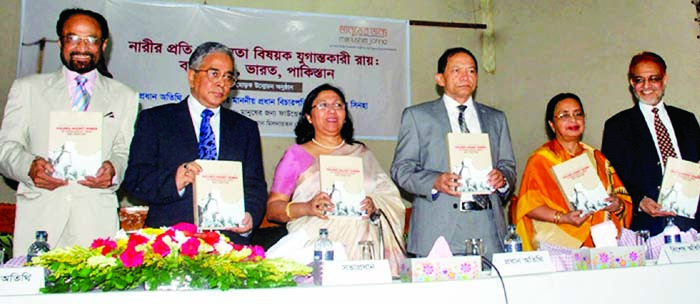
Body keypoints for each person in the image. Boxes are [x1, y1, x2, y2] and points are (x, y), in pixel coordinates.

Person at [0, 9, 139, 256]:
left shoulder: (126, 97)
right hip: (39, 221)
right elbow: (7, 149)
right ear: (60, 41)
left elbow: (124, 151)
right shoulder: (27, 89)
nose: (81, 47)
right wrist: (29, 166)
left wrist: (113, 170)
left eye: (91, 39)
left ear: (103, 45)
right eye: (72, 38)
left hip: (97, 223)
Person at [121, 42, 266, 244]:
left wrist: (249, 216)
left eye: (228, 76)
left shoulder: (245, 128)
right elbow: (135, 180)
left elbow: (255, 186)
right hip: (169, 240)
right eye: (214, 74)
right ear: (191, 75)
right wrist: (175, 181)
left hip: (227, 242)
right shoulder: (155, 120)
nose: (221, 83)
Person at [264, 84, 406, 271]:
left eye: (338, 105)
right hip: (318, 246)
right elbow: (274, 209)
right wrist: (307, 207)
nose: (332, 110)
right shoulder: (296, 155)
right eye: (322, 105)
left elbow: (389, 198)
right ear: (308, 117)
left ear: (345, 115)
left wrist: (374, 206)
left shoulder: (362, 153)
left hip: (365, 249)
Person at [390, 47, 516, 258]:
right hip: (439, 228)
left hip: (488, 228)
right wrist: (434, 181)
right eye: (456, 70)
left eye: (471, 71)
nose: (465, 76)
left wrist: (502, 179)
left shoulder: (496, 118)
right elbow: (401, 169)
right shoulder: (417, 116)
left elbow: (508, 165)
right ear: (440, 79)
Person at [601, 51, 700, 235]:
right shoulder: (618, 126)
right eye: (639, 80)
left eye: (653, 78)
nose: (646, 86)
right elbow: (612, 177)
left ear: (665, 79)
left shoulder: (687, 120)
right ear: (632, 83)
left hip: (693, 220)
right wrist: (639, 201)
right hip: (649, 223)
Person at [515, 93, 632, 250]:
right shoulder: (541, 160)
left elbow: (622, 198)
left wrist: (616, 205)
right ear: (551, 124)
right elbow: (528, 206)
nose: (573, 120)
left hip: (600, 244)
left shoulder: (596, 157)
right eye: (564, 115)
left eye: (578, 114)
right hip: (557, 245)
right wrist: (563, 218)